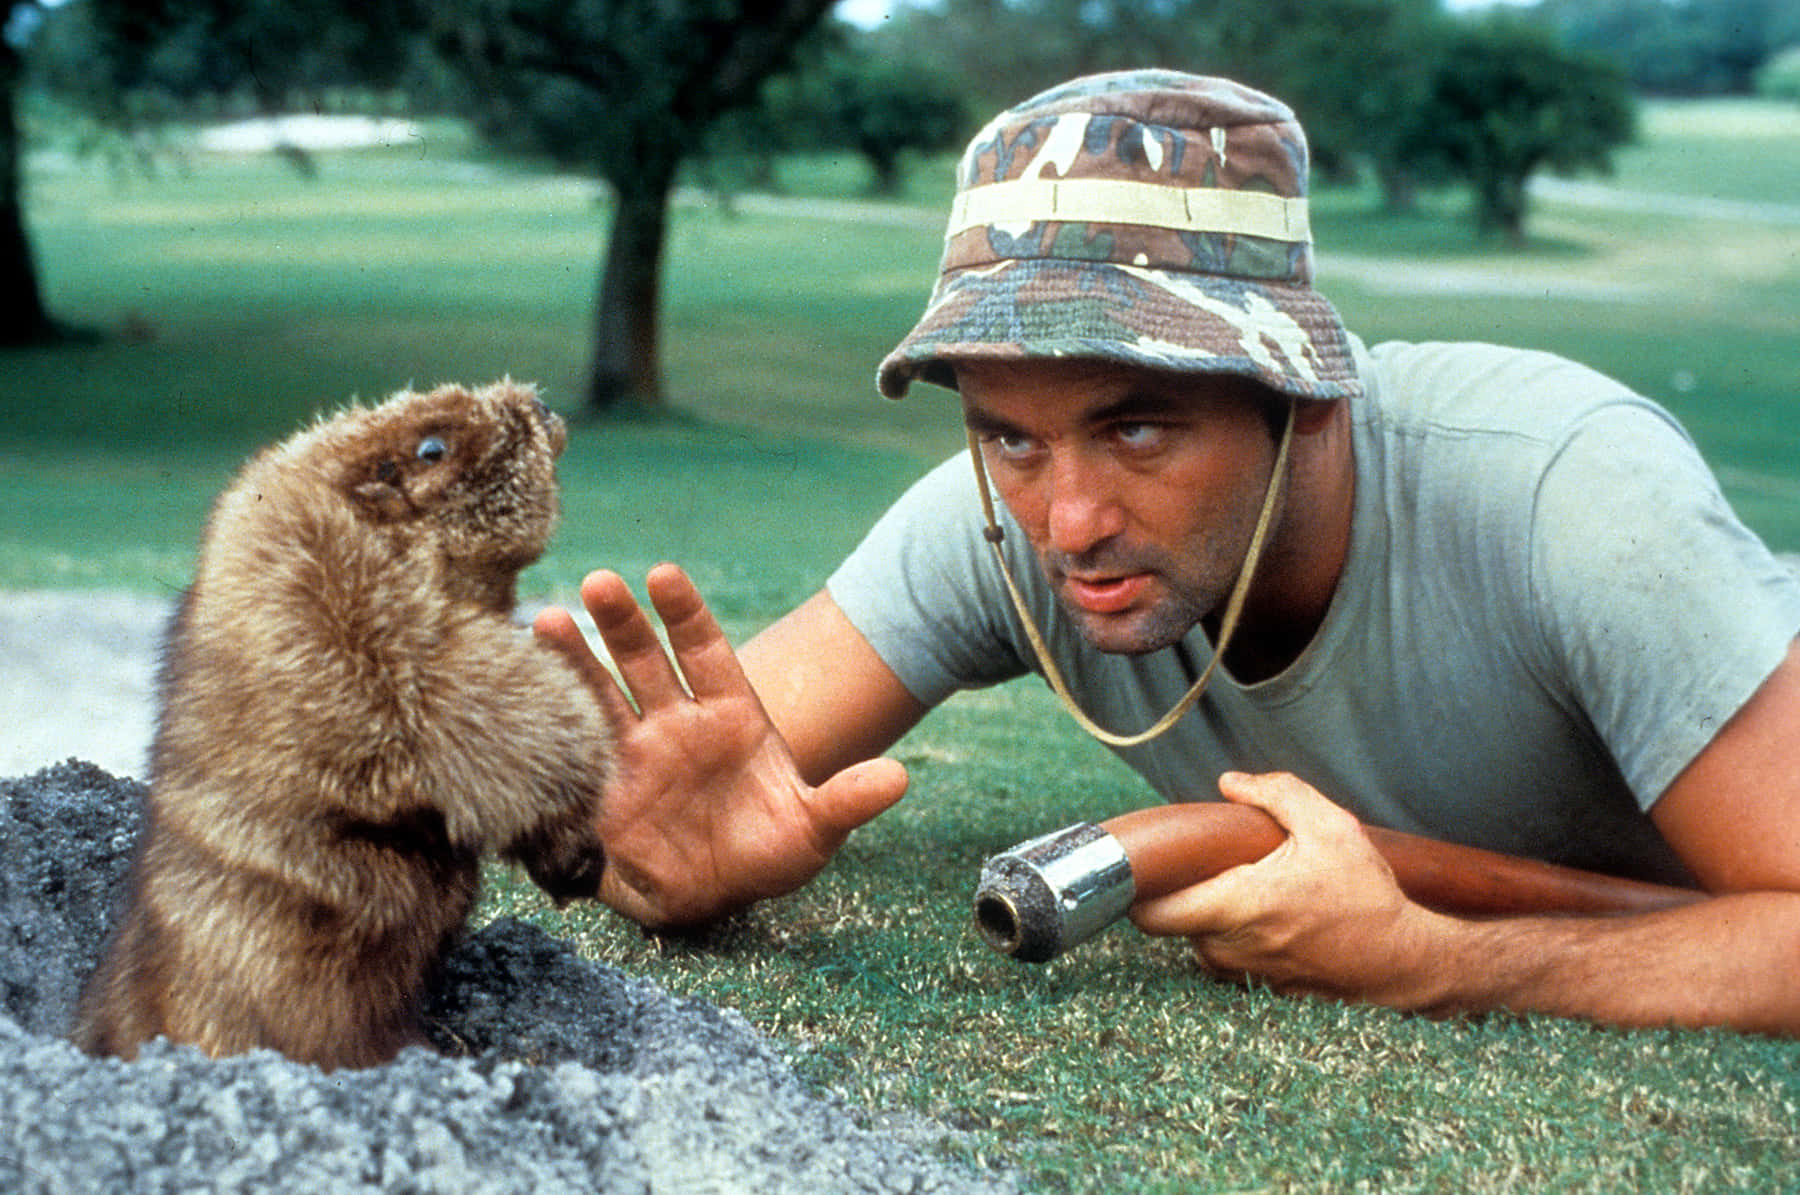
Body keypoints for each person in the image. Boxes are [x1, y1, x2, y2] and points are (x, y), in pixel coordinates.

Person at [535, 71, 1800, 1035]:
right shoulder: (1004, 513)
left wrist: (1445, 961)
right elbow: (718, 775)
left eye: (1137, 425)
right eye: (1009, 437)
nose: (1067, 520)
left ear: (1304, 390)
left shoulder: (1571, 499)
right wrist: (651, 860)